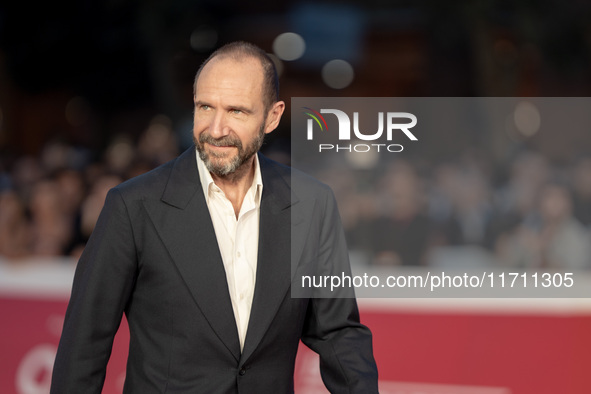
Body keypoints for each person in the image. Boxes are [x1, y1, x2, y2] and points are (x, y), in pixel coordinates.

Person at [50, 41, 378, 393]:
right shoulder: (133, 206)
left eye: (236, 111)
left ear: (273, 116)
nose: (216, 129)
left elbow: (337, 332)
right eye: (205, 107)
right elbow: (84, 346)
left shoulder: (312, 204)